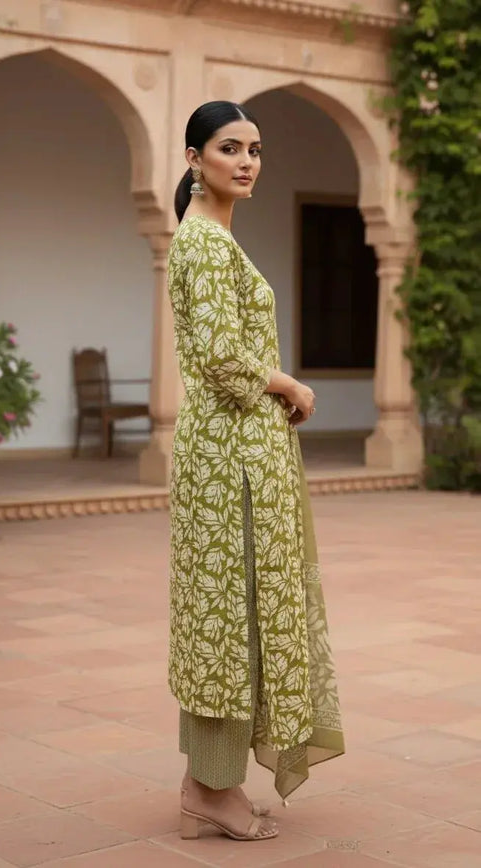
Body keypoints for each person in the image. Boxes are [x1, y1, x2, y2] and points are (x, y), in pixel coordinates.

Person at [167, 100, 345, 843]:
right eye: (228, 147)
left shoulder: (213, 238)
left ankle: (208, 782)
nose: (245, 160)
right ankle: (211, 788)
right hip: (229, 458)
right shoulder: (204, 243)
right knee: (228, 618)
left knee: (231, 614)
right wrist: (288, 385)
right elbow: (218, 357)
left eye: (254, 148)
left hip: (240, 452)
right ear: (193, 159)